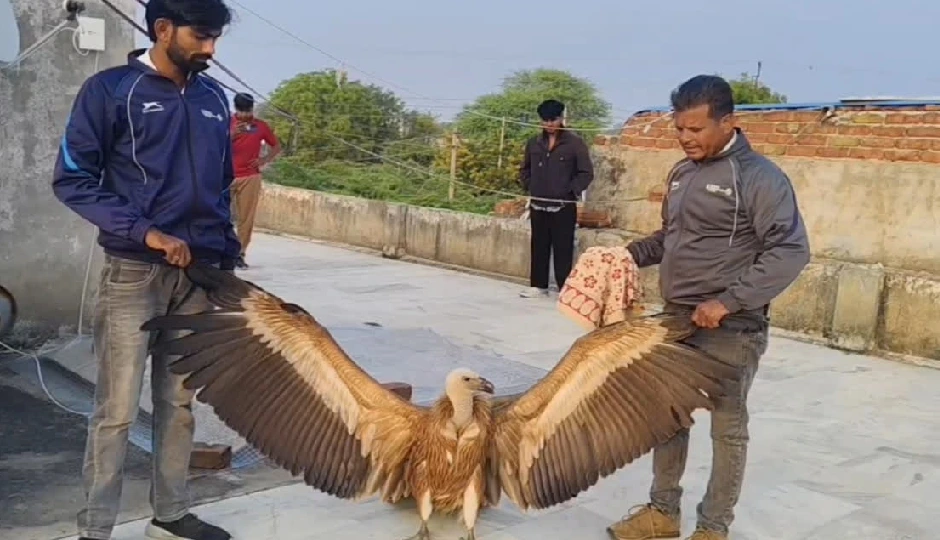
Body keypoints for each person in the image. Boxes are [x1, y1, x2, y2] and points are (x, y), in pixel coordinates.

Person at [51, 0, 239, 539]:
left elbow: (222, 185)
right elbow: (72, 179)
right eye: (201, 37)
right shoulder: (111, 91)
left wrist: (224, 257)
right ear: (162, 29)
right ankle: (96, 529)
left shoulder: (213, 98)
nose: (210, 50)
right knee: (116, 411)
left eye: (215, 39)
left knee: (178, 404)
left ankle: (172, 513)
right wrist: (146, 232)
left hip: (199, 277)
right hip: (134, 275)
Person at [607, 75, 810, 540]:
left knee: (727, 427)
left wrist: (728, 301)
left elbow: (790, 250)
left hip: (731, 327)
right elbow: (672, 238)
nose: (686, 138)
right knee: (667, 417)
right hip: (677, 319)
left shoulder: (759, 178)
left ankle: (713, 527)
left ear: (728, 122)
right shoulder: (682, 173)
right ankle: (662, 514)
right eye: (680, 129)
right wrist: (628, 255)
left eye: (696, 129)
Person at [518, 99, 594, 298]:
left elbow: (586, 173)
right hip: (538, 203)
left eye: (553, 119)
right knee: (539, 244)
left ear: (562, 118)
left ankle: (564, 288)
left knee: (563, 247)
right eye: (545, 120)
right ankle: (538, 285)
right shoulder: (534, 143)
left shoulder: (575, 144)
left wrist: (570, 191)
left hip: (563, 205)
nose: (549, 124)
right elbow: (524, 169)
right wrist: (530, 185)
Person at [229, 92, 280, 269]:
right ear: (236, 109)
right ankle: (220, 251)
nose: (245, 115)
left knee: (246, 218)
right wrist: (232, 135)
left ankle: (240, 253)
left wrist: (264, 160)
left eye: (248, 111)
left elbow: (276, 145)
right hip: (226, 175)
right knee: (220, 215)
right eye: (242, 111)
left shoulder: (260, 126)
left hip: (250, 176)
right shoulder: (227, 123)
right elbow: (212, 144)